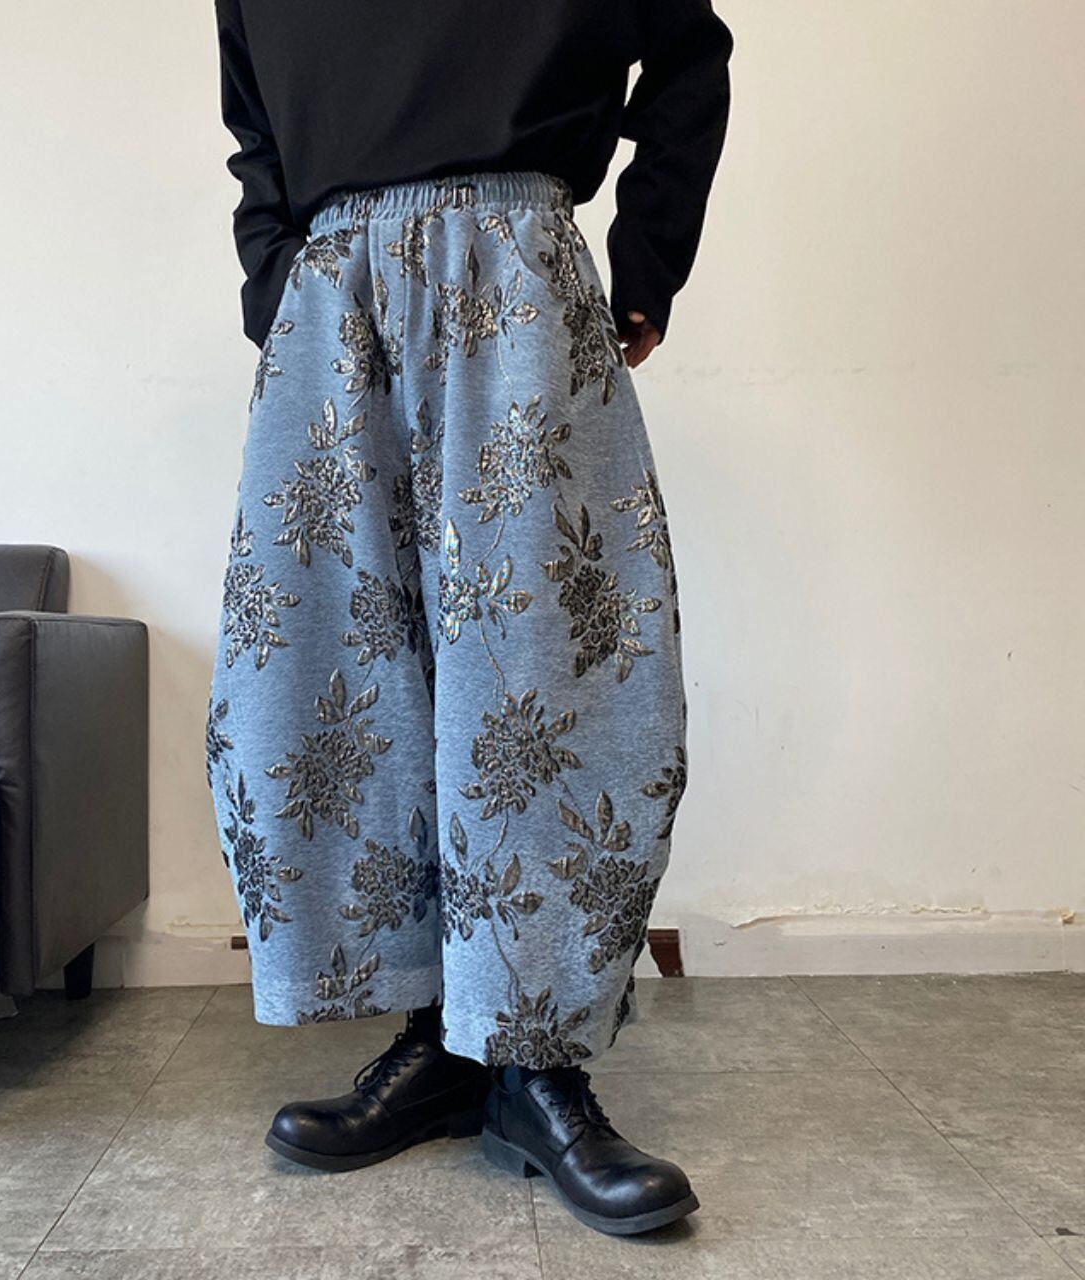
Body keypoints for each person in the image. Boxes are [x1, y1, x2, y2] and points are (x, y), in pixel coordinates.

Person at [206, 0, 732, 1237]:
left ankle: (534, 1059)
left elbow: (688, 52)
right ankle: (441, 1038)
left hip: (517, 267)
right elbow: (256, 131)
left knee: (547, 672)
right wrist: (278, 282)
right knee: (334, 670)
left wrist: (647, 258)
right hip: (328, 295)